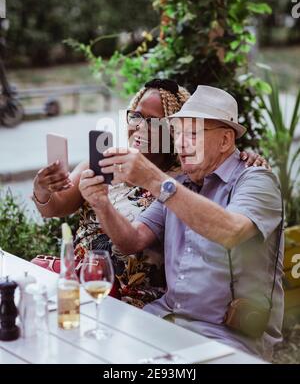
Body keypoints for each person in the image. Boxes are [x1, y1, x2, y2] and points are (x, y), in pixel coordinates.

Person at [81, 85, 283, 360]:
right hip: (165, 318)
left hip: (228, 336)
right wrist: (101, 202)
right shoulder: (180, 184)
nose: (180, 144)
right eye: (177, 134)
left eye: (192, 134)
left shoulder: (256, 180)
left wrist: (153, 179)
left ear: (225, 141)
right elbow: (131, 241)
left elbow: (231, 230)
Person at [32, 80, 269, 308]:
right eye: (136, 116)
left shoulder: (184, 179)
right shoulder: (104, 161)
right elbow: (56, 207)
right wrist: (42, 188)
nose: (140, 126)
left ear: (170, 130)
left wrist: (238, 157)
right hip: (83, 279)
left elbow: (220, 202)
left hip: (133, 296)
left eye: (153, 121)